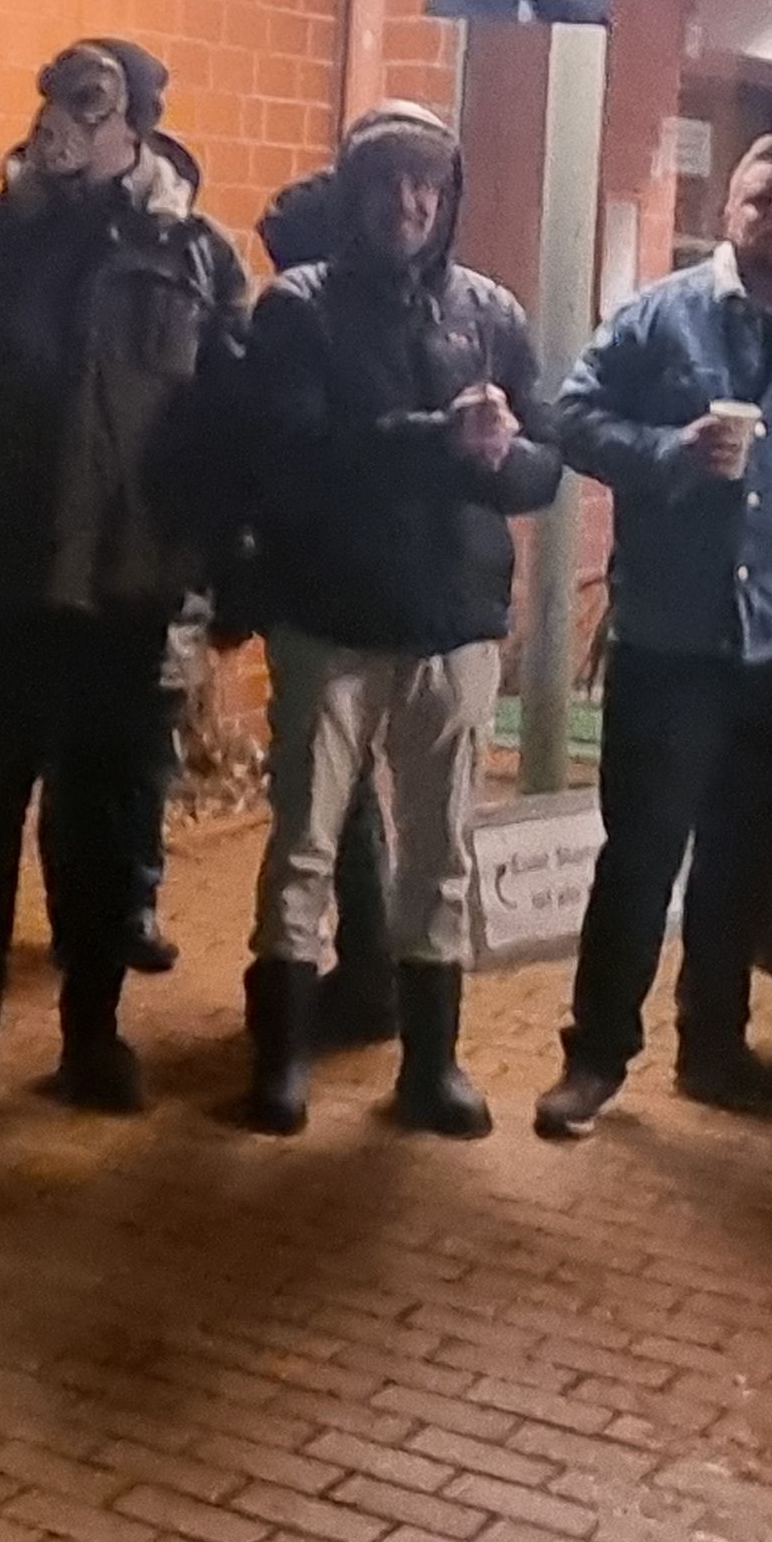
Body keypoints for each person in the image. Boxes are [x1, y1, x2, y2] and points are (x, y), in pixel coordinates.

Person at [537, 131, 772, 1136]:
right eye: (760, 196)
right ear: (731, 211)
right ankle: (596, 1059)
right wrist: (668, 452)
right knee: (641, 853)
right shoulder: (660, 321)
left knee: (742, 858)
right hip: (671, 643)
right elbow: (574, 417)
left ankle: (713, 1048)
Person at [0, 37, 248, 1111]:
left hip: (129, 586)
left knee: (97, 817)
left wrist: (214, 558)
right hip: (8, 573)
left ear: (134, 124)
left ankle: (92, 1038)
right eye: (49, 97)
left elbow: (230, 415)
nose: (56, 121)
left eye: (86, 103)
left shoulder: (194, 253)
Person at [234, 103, 563, 1140]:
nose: (410, 203)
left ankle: (433, 1065)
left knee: (441, 852)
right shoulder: (297, 308)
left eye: (429, 185)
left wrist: (500, 454)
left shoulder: (492, 313)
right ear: (354, 193)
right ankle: (280, 1061)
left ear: (448, 197)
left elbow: (543, 467)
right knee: (304, 846)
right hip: (328, 616)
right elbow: (290, 455)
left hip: (453, 621)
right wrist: (437, 438)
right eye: (390, 183)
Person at [241, 159, 402, 1051]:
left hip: (325, 587)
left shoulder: (315, 329)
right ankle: (372, 967)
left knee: (327, 796)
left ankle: (368, 973)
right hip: (345, 581)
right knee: (347, 795)